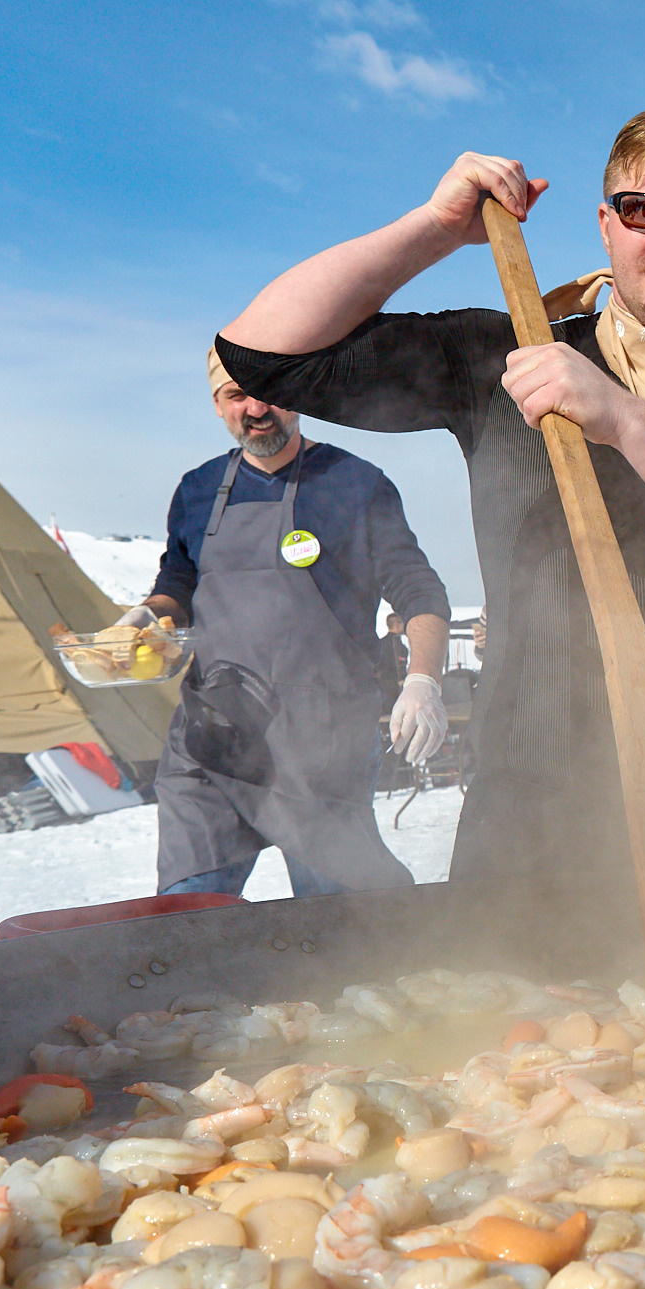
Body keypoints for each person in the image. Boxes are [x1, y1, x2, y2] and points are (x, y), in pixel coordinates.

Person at [209, 104, 645, 911]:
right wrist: (434, 228)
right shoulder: (510, 358)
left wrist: (623, 417)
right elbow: (263, 354)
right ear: (607, 225)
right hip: (523, 831)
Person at [127, 347, 451, 896]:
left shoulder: (354, 483)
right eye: (236, 395)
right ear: (217, 405)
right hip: (213, 738)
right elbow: (177, 583)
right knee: (188, 912)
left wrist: (424, 682)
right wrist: (146, 617)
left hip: (322, 745)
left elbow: (418, 590)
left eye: (269, 392)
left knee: (341, 926)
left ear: (299, 397)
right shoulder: (197, 490)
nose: (256, 408)